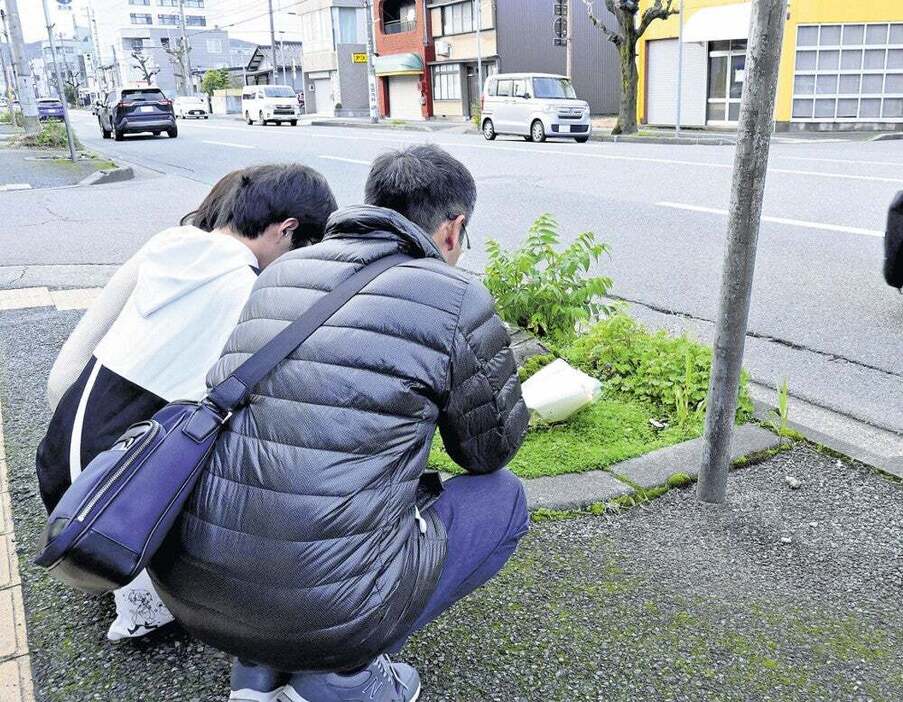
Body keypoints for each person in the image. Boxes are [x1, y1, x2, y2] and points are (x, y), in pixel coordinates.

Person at [150, 144, 530, 702]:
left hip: (193, 587)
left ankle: (256, 673)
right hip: (326, 609)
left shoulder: (284, 270)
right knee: (503, 499)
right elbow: (487, 452)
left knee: (278, 489)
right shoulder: (453, 296)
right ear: (453, 229)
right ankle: (340, 677)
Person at [38, 164, 338, 642]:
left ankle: (132, 583)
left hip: (63, 475)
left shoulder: (169, 247)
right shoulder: (247, 290)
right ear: (288, 232)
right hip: (116, 515)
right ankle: (146, 601)